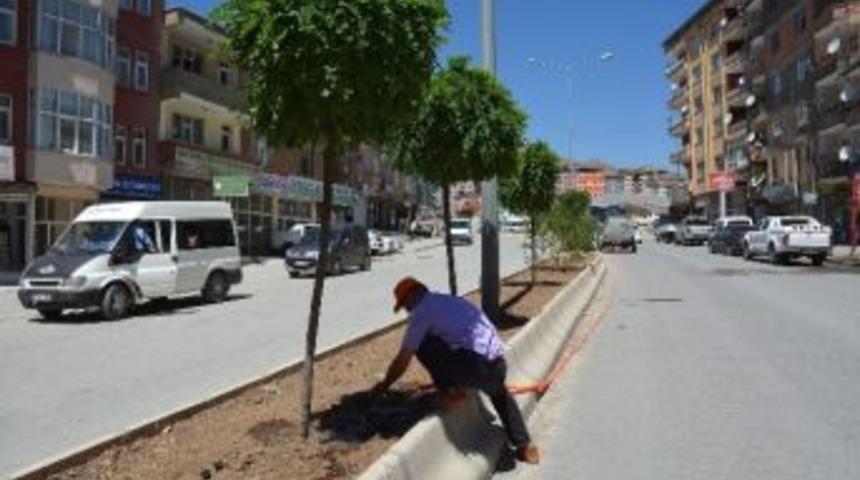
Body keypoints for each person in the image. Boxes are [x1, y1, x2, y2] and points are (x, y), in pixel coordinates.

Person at [372, 277, 540, 464]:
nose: (406, 310)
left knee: (423, 345)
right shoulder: (451, 300)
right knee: (500, 394)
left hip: (474, 366)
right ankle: (525, 447)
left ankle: (451, 391)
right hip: (498, 364)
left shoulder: (422, 311)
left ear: (411, 296)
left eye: (404, 305)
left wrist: (385, 384)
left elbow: (403, 358)